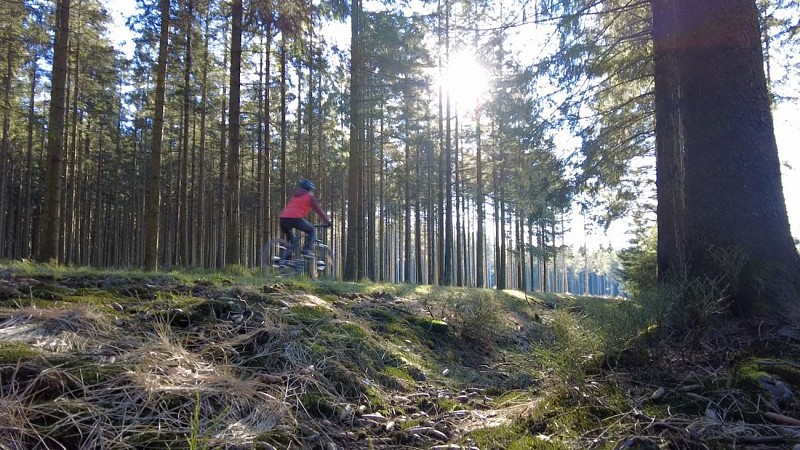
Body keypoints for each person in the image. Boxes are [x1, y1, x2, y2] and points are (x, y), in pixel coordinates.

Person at [279, 178, 331, 259]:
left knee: (293, 243)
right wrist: (327, 221)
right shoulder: (309, 196)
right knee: (312, 230)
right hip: (295, 219)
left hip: (283, 219)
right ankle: (307, 250)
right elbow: (319, 210)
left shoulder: (295, 196)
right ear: (309, 189)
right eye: (311, 190)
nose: (312, 192)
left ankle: (283, 262)